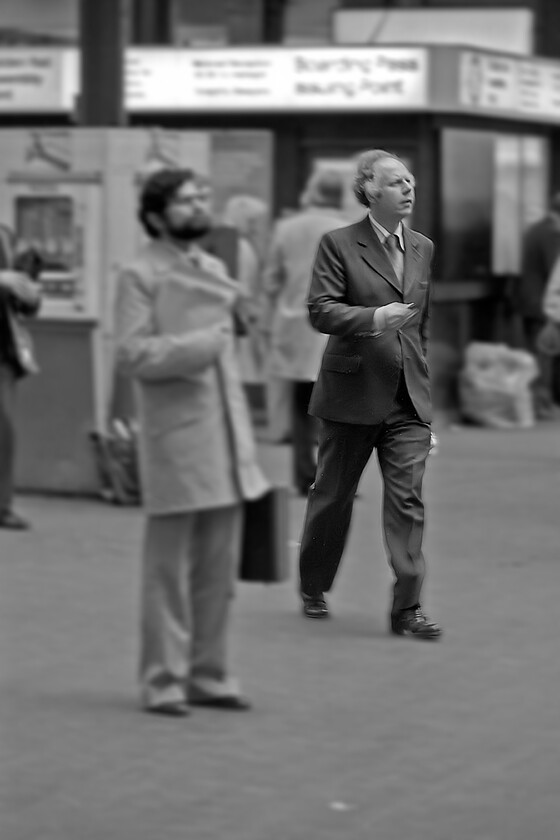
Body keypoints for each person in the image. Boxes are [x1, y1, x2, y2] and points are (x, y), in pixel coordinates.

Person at [114, 168, 269, 717]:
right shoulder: (139, 273)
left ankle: (210, 673)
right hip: (177, 441)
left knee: (217, 573)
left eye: (204, 196)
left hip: (225, 440)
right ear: (156, 215)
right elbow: (131, 354)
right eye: (185, 201)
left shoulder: (214, 268)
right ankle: (163, 680)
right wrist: (205, 343)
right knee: (167, 572)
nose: (199, 206)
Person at [298, 149, 441, 640]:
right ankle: (313, 584)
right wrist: (374, 318)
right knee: (332, 498)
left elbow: (420, 330)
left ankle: (407, 608)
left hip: (406, 403)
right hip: (351, 394)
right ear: (370, 190)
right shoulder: (338, 244)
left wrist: (426, 408)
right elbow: (321, 310)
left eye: (411, 182)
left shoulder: (422, 247)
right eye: (398, 182)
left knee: (407, 502)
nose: (409, 190)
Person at [261, 169, 345, 495]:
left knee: (300, 406)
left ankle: (302, 474)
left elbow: (270, 280)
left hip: (295, 325)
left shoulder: (286, 228)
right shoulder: (348, 231)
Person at [0, 225, 42, 531]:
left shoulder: (5, 234)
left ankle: (2, 506)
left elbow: (22, 304)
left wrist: (29, 292)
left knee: (3, 432)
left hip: (3, 350)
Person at [517, 192, 560, 418]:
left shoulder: (539, 229)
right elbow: (554, 267)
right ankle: (541, 404)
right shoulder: (550, 233)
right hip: (541, 304)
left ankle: (539, 402)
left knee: (540, 353)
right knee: (543, 355)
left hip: (534, 300)